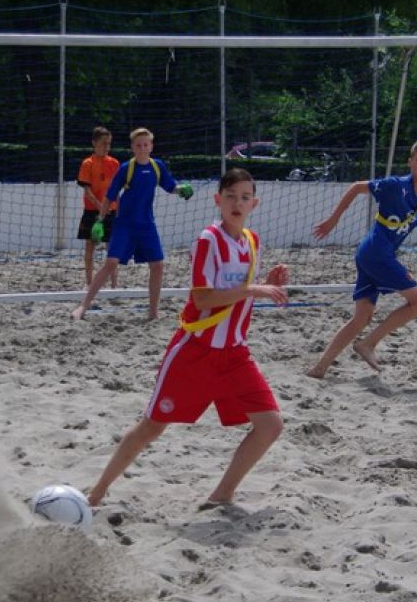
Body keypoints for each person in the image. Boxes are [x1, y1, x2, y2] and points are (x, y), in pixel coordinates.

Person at [86, 168, 288, 509]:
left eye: (244, 197)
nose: (237, 203)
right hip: (195, 352)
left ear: (254, 203)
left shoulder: (252, 241)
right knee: (152, 426)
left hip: (235, 354)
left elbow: (239, 293)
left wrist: (266, 284)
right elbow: (203, 297)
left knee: (271, 425)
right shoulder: (208, 240)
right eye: (230, 196)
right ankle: (96, 493)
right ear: (217, 200)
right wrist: (255, 289)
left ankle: (221, 495)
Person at [306, 139, 417, 377]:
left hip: (372, 254)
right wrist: (333, 219)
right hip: (376, 252)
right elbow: (356, 187)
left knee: (362, 318)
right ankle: (368, 344)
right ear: (410, 162)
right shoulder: (394, 185)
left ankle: (319, 368)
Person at [71, 127, 193, 321]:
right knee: (110, 263)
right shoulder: (126, 168)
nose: (142, 148)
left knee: (158, 265)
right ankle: (83, 306)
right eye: (138, 145)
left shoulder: (157, 166)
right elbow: (110, 196)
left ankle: (153, 312)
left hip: (147, 225)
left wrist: (181, 190)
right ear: (133, 147)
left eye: (145, 144)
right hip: (124, 225)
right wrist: (100, 221)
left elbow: (170, 186)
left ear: (151, 146)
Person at [76, 126, 121, 289]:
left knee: (112, 249)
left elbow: (116, 190)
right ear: (94, 143)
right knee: (90, 247)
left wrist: (118, 210)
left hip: (110, 211)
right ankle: (89, 283)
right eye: (103, 143)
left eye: (109, 143)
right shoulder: (87, 163)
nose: (106, 147)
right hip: (92, 211)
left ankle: (114, 285)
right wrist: (100, 206)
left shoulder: (114, 163)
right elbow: (87, 191)